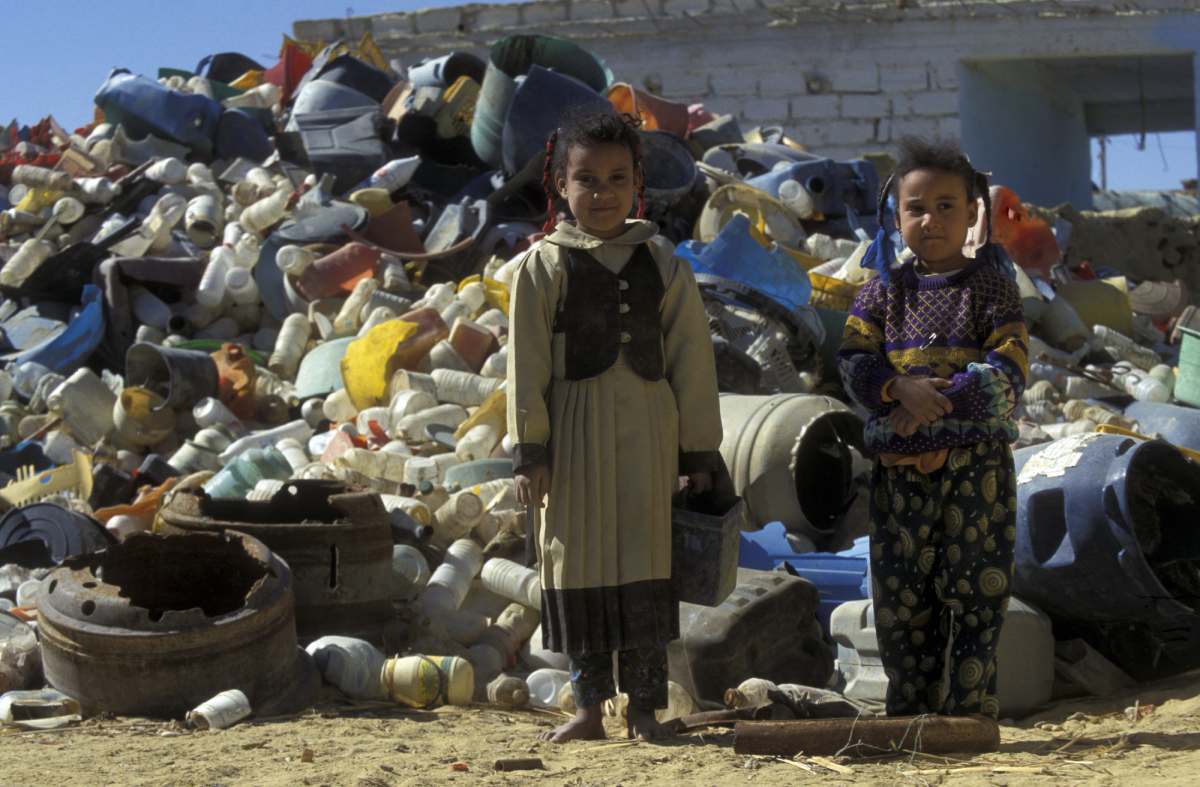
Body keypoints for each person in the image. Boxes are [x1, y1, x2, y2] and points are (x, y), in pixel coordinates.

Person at [506, 111, 725, 742]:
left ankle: (647, 711)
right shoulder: (542, 267)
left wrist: (699, 449)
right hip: (572, 438)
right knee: (576, 563)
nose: (602, 193)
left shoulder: (662, 262)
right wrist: (531, 450)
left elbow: (692, 359)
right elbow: (526, 365)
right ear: (560, 185)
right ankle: (587, 708)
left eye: (616, 178)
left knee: (647, 559)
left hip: (649, 439)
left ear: (638, 185)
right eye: (586, 179)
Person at [836, 137, 1028, 719]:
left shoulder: (992, 286)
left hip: (977, 473)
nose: (931, 219)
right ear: (895, 217)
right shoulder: (879, 291)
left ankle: (968, 716)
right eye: (916, 208)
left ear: (973, 213)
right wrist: (898, 389)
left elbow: (1010, 365)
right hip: (898, 475)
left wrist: (932, 401)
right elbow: (852, 360)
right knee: (901, 598)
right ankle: (911, 717)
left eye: (947, 206)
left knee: (975, 590)